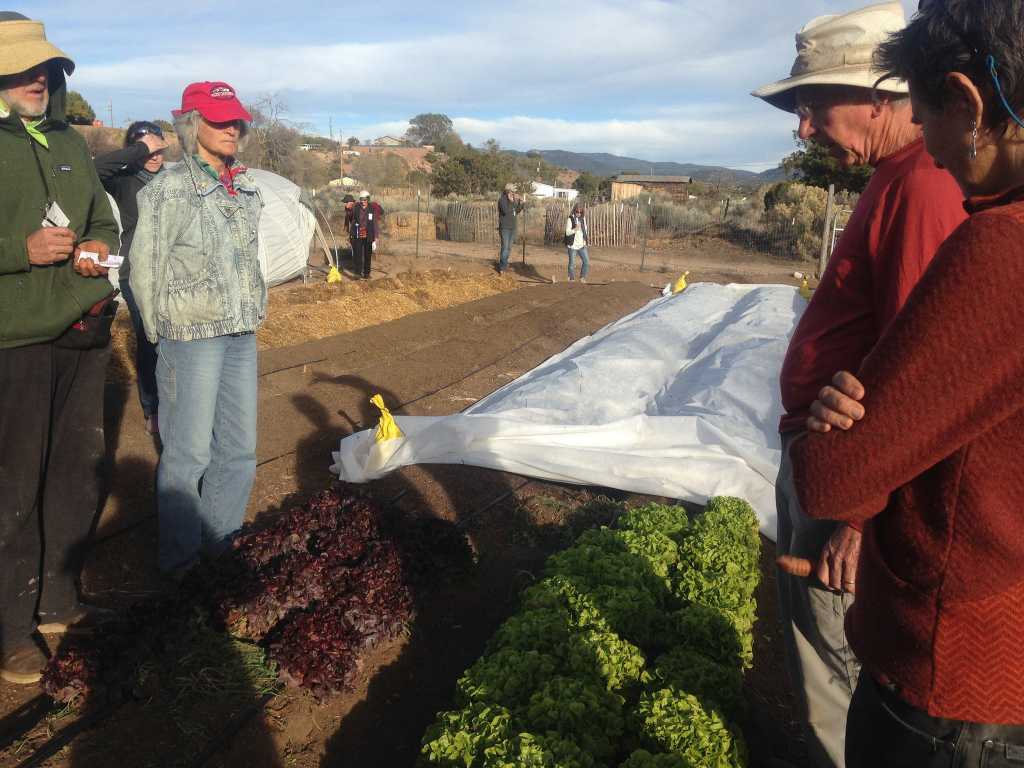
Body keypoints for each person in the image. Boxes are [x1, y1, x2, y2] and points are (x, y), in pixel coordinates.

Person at [790, 1, 1024, 763]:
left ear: (970, 100)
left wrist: (841, 443)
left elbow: (840, 471)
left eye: (927, 116)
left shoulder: (999, 245)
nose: (929, 142)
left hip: (954, 680)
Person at [751, 3, 966, 765]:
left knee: (836, 676)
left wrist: (863, 517)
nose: (803, 128)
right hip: (833, 467)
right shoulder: (892, 178)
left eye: (814, 105)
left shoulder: (922, 187)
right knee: (823, 664)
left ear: (882, 94)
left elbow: (926, 374)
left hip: (852, 489)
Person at [0, 12, 121, 684]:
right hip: (12, 335)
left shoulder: (69, 139)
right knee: (14, 482)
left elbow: (101, 215)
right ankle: (12, 630)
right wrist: (16, 252)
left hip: (81, 327)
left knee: (78, 471)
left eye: (44, 68)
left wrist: (98, 243)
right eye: (22, 69)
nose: (38, 79)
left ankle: (58, 599)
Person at [130, 81, 265, 577]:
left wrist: (255, 306)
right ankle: (182, 567)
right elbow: (144, 268)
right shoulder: (169, 189)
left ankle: (221, 546)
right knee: (188, 454)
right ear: (191, 124)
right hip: (191, 337)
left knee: (239, 448)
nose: (231, 128)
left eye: (236, 120)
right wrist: (157, 333)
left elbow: (251, 262)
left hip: (240, 332)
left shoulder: (245, 189)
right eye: (218, 119)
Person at [95, 121, 168, 434]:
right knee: (150, 339)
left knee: (176, 340)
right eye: (147, 149)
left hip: (172, 271)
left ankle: (178, 402)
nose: (154, 155)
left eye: (158, 148)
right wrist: (138, 149)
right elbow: (94, 169)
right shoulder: (124, 179)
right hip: (136, 273)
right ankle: (153, 407)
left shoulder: (173, 178)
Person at [348, 190, 377, 280]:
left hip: (368, 235)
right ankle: (357, 273)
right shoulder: (356, 208)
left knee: (368, 255)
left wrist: (376, 237)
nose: (363, 202)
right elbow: (350, 217)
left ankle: (366, 273)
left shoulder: (372, 209)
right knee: (358, 254)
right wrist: (348, 209)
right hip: (357, 234)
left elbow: (374, 223)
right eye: (361, 200)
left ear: (368, 199)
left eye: (365, 200)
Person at [497, 182, 523, 274]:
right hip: (505, 228)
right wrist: (511, 202)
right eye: (513, 191)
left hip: (513, 227)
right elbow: (506, 211)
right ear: (508, 191)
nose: (514, 193)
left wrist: (521, 203)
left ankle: (505, 263)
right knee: (505, 247)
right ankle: (502, 267)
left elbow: (516, 211)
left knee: (509, 248)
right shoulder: (502, 200)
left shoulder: (512, 200)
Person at [564, 202, 590, 282]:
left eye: (580, 212)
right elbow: (567, 232)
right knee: (572, 264)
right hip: (573, 246)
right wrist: (575, 229)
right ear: (574, 211)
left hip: (581, 245)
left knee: (586, 262)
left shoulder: (583, 218)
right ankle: (571, 279)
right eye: (577, 212)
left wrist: (585, 240)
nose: (579, 214)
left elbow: (585, 230)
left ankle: (582, 277)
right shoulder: (570, 219)